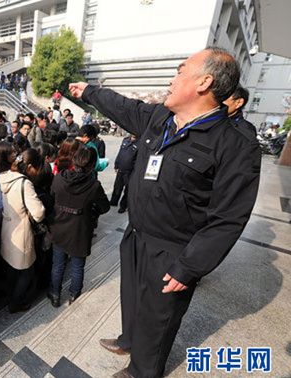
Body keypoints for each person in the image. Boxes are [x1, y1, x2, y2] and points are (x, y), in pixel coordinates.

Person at [69, 47, 261, 378]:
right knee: (132, 297)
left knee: (159, 317)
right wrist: (89, 92)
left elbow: (228, 218)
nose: (171, 80)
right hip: (136, 233)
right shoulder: (160, 118)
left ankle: (142, 370)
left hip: (173, 249)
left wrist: (190, 266)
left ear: (204, 82)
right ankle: (129, 340)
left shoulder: (236, 145)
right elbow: (124, 107)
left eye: (179, 71)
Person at [47, 146, 110, 307]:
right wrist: (91, 211)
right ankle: (74, 294)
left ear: (74, 161)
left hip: (59, 227)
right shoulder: (93, 185)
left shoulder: (59, 178)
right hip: (80, 230)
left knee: (58, 265)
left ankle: (55, 294)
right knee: (77, 265)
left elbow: (52, 197)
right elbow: (105, 207)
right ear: (92, 165)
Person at [0, 149, 45, 313]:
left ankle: (10, 297)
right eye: (37, 168)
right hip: (22, 234)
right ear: (30, 166)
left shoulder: (4, 177)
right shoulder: (24, 184)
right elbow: (38, 214)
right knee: (26, 272)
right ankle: (16, 303)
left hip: (8, 231)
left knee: (12, 269)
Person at [110, 135, 138, 213]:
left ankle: (123, 205)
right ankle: (114, 201)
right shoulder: (125, 140)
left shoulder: (140, 143)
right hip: (121, 169)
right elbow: (120, 153)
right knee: (117, 186)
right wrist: (116, 164)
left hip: (130, 171)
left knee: (128, 190)